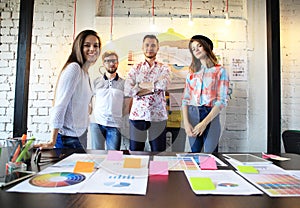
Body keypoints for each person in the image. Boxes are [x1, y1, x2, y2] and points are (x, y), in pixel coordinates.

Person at [34, 30, 101, 150]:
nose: (92, 49)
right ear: (78, 47)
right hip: (68, 138)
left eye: (96, 45)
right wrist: (52, 141)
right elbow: (60, 105)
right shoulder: (74, 69)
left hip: (80, 135)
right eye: (87, 45)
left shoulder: (85, 73)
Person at [182, 35, 230, 153]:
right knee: (195, 154)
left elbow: (221, 101)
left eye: (199, 46)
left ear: (207, 47)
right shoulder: (192, 73)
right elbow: (185, 99)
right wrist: (186, 123)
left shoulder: (220, 71)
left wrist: (204, 123)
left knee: (211, 155)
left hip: (210, 115)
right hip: (192, 114)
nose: (196, 50)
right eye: (193, 49)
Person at [124, 34, 171, 152]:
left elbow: (164, 84)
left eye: (153, 45)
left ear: (158, 48)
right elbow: (128, 90)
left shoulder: (164, 68)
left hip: (158, 116)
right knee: (135, 153)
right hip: (137, 115)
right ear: (142, 47)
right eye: (147, 45)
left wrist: (139, 86)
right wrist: (154, 87)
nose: (150, 48)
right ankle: (137, 171)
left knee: (158, 153)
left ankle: (157, 171)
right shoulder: (136, 68)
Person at [90, 51, 125, 150]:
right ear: (103, 63)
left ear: (117, 63)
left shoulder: (124, 83)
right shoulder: (96, 81)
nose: (111, 63)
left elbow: (126, 105)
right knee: (97, 156)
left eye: (114, 61)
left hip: (115, 125)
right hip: (97, 124)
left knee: (114, 158)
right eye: (108, 61)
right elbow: (88, 99)